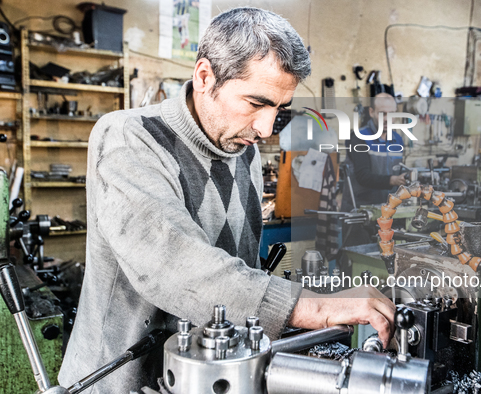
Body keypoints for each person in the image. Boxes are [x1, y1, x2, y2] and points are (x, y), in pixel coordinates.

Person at [59, 8, 395, 393]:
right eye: (256, 103)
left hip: (207, 378)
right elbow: (174, 265)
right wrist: (312, 306)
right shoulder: (128, 137)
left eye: (278, 109)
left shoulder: (242, 151)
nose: (266, 129)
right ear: (205, 76)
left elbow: (237, 268)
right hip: (120, 381)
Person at [341, 93, 407, 213]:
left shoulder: (398, 140)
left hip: (388, 211)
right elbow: (363, 176)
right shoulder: (358, 137)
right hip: (360, 211)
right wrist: (393, 180)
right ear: (371, 112)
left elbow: (400, 171)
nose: (387, 119)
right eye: (382, 114)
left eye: (391, 114)